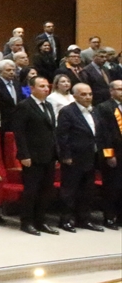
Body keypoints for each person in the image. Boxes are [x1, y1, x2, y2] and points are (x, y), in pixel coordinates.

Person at [13, 76, 60, 235]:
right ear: (32, 88)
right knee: (31, 191)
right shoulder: (25, 106)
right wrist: (24, 154)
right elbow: (19, 133)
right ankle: (27, 222)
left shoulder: (48, 105)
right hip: (32, 156)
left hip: (49, 154)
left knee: (46, 190)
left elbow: (51, 131)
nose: (46, 89)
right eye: (41, 86)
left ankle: (41, 221)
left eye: (47, 86)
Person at [55, 83, 103, 232]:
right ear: (74, 96)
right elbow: (62, 135)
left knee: (87, 190)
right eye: (83, 94)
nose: (87, 97)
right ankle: (66, 220)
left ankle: (84, 219)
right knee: (70, 190)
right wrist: (66, 155)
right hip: (74, 157)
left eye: (89, 94)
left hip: (91, 156)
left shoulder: (95, 111)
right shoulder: (67, 111)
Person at [95, 80, 122, 230]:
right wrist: (109, 155)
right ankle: (109, 217)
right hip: (113, 153)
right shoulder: (104, 108)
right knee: (113, 187)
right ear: (111, 91)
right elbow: (103, 135)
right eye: (119, 89)